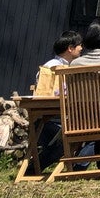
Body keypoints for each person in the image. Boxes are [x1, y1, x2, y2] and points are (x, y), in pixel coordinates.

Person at [33, 29, 85, 173]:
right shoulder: (52, 67)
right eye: (79, 45)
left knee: (76, 133)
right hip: (48, 118)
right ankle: (33, 169)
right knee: (72, 136)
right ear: (70, 48)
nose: (82, 48)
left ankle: (35, 167)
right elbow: (55, 94)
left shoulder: (62, 66)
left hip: (56, 116)